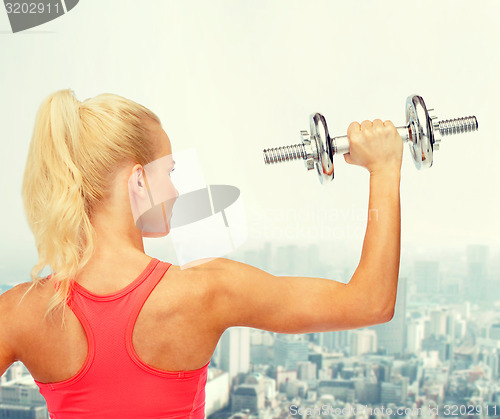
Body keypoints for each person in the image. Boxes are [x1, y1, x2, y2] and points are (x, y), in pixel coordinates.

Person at [0, 89, 403, 418]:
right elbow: (370, 302)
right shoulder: (205, 291)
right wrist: (384, 171)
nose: (175, 192)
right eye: (169, 172)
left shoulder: (21, 311)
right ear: (139, 180)